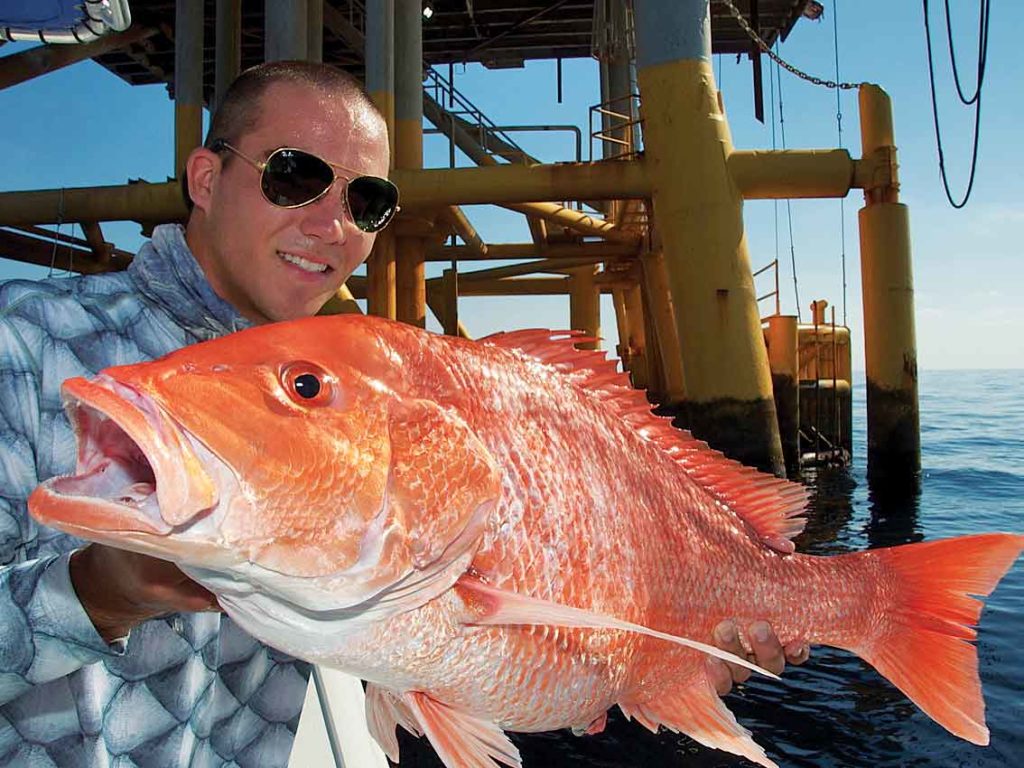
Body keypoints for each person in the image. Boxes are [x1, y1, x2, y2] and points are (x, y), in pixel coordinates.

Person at [0, 60, 804, 767]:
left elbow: (449, 634)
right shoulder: (26, 338)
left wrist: (668, 653)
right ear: (204, 179)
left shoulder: (372, 378)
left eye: (368, 200)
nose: (331, 223)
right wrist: (97, 592)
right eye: (292, 177)